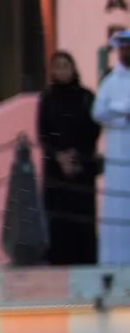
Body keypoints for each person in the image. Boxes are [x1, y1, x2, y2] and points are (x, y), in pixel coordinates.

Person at [38, 51, 101, 266]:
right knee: (58, 220)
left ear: (73, 69)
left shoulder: (86, 97)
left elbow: (94, 129)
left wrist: (76, 155)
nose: (63, 71)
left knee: (81, 219)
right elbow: (43, 133)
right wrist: (59, 156)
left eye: (66, 66)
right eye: (58, 67)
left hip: (81, 167)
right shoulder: (47, 98)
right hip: (56, 170)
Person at [96, 33, 130, 267]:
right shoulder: (111, 82)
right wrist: (122, 109)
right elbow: (98, 111)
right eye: (124, 49)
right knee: (117, 207)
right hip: (118, 150)